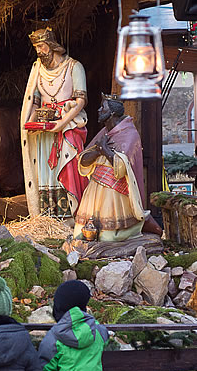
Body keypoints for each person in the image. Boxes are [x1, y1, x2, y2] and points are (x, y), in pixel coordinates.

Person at [73, 94, 162, 241]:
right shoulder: (104, 133)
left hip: (114, 195)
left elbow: (121, 169)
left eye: (103, 107)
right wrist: (98, 150)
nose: (99, 110)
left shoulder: (129, 135)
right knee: (79, 234)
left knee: (108, 237)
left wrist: (104, 150)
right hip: (94, 191)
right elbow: (84, 161)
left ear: (112, 113)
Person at [21, 27, 89, 218]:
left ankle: (71, 217)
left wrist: (62, 123)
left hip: (69, 125)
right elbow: (33, 102)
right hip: (44, 130)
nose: (39, 51)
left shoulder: (74, 67)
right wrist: (30, 123)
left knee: (68, 167)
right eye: (36, 47)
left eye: (41, 46)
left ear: (51, 46)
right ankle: (49, 217)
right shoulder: (37, 70)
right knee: (45, 171)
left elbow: (80, 101)